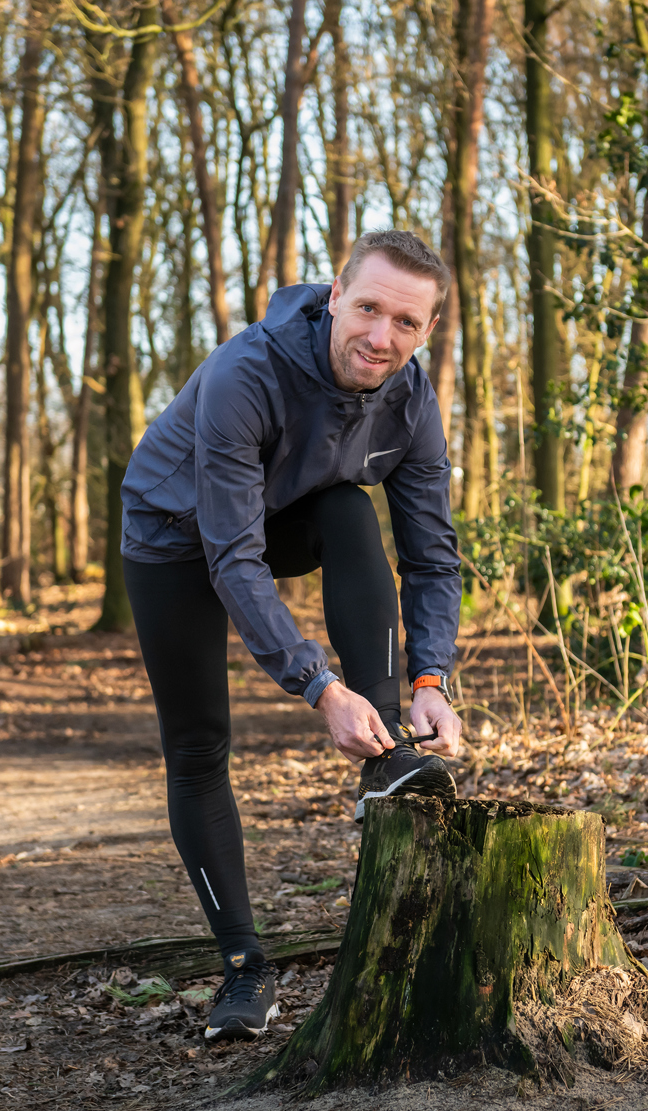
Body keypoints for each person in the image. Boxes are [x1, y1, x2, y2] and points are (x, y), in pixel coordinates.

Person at [120, 230, 463, 1043]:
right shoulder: (249, 373)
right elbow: (232, 557)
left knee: (349, 509)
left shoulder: (411, 399)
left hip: (286, 513)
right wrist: (318, 686)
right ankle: (243, 969)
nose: (381, 337)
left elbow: (431, 553)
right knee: (198, 746)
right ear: (336, 294)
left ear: (427, 332)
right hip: (172, 533)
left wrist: (430, 680)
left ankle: (387, 761)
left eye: (406, 324)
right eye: (370, 308)